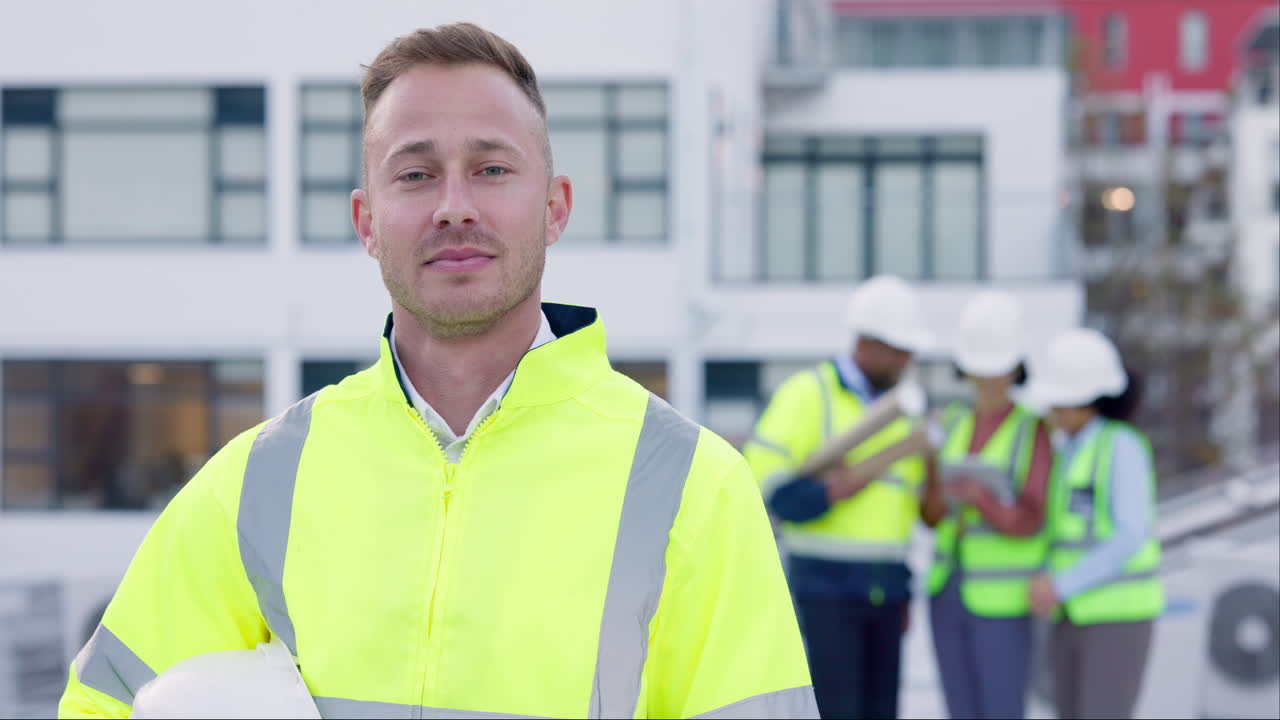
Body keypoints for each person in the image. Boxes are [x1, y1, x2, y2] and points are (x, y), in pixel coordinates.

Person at [58, 23, 816, 720]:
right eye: (415, 175)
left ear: (554, 207)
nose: (455, 206)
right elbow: (102, 704)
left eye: (491, 168)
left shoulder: (692, 487)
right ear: (367, 221)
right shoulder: (258, 483)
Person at [743, 275, 944, 720]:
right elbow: (770, 494)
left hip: (887, 590)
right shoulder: (806, 395)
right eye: (899, 351)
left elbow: (920, 511)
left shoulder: (903, 411)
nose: (907, 361)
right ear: (868, 343)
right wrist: (837, 488)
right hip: (825, 590)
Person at [925, 290, 1054, 720]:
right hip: (948, 589)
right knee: (959, 709)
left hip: (1003, 600)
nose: (987, 379)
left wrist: (979, 498)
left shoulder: (1032, 429)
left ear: (1015, 368)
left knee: (1000, 709)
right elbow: (929, 513)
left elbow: (1033, 517)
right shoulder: (955, 422)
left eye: (996, 369)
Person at [1023, 328, 1164, 720]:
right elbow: (1064, 534)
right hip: (1072, 614)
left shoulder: (1122, 447)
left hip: (1117, 618)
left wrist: (1061, 584)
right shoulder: (1067, 450)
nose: (1052, 409)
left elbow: (1131, 534)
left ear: (1084, 400)